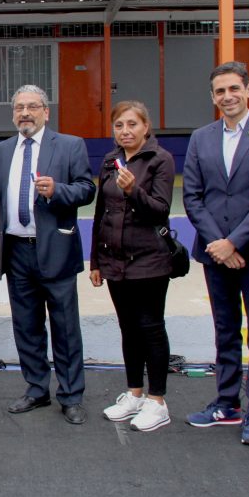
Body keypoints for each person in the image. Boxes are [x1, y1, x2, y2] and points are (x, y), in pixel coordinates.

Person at [183, 61, 249, 446]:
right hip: (215, 252)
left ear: (248, 90)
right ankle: (226, 402)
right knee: (225, 330)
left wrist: (236, 242)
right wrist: (219, 244)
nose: (227, 96)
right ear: (212, 97)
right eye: (219, 91)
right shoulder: (201, 138)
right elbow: (193, 197)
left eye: (233, 89)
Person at [0, 85, 96, 424]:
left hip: (56, 251)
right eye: (19, 107)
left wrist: (57, 191)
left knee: (65, 328)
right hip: (17, 252)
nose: (25, 113)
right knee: (27, 326)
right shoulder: (1, 151)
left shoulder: (69, 145)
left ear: (46, 112)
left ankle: (71, 395)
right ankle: (36, 389)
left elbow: (87, 189)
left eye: (33, 107)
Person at [89, 101, 175, 432]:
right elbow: (100, 212)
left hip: (150, 260)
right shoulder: (110, 160)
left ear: (145, 126)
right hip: (114, 260)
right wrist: (96, 259)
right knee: (127, 327)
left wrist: (132, 190)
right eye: (119, 126)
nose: (125, 131)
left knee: (150, 326)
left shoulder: (161, 160)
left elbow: (160, 210)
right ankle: (134, 393)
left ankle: (157, 401)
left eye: (132, 125)